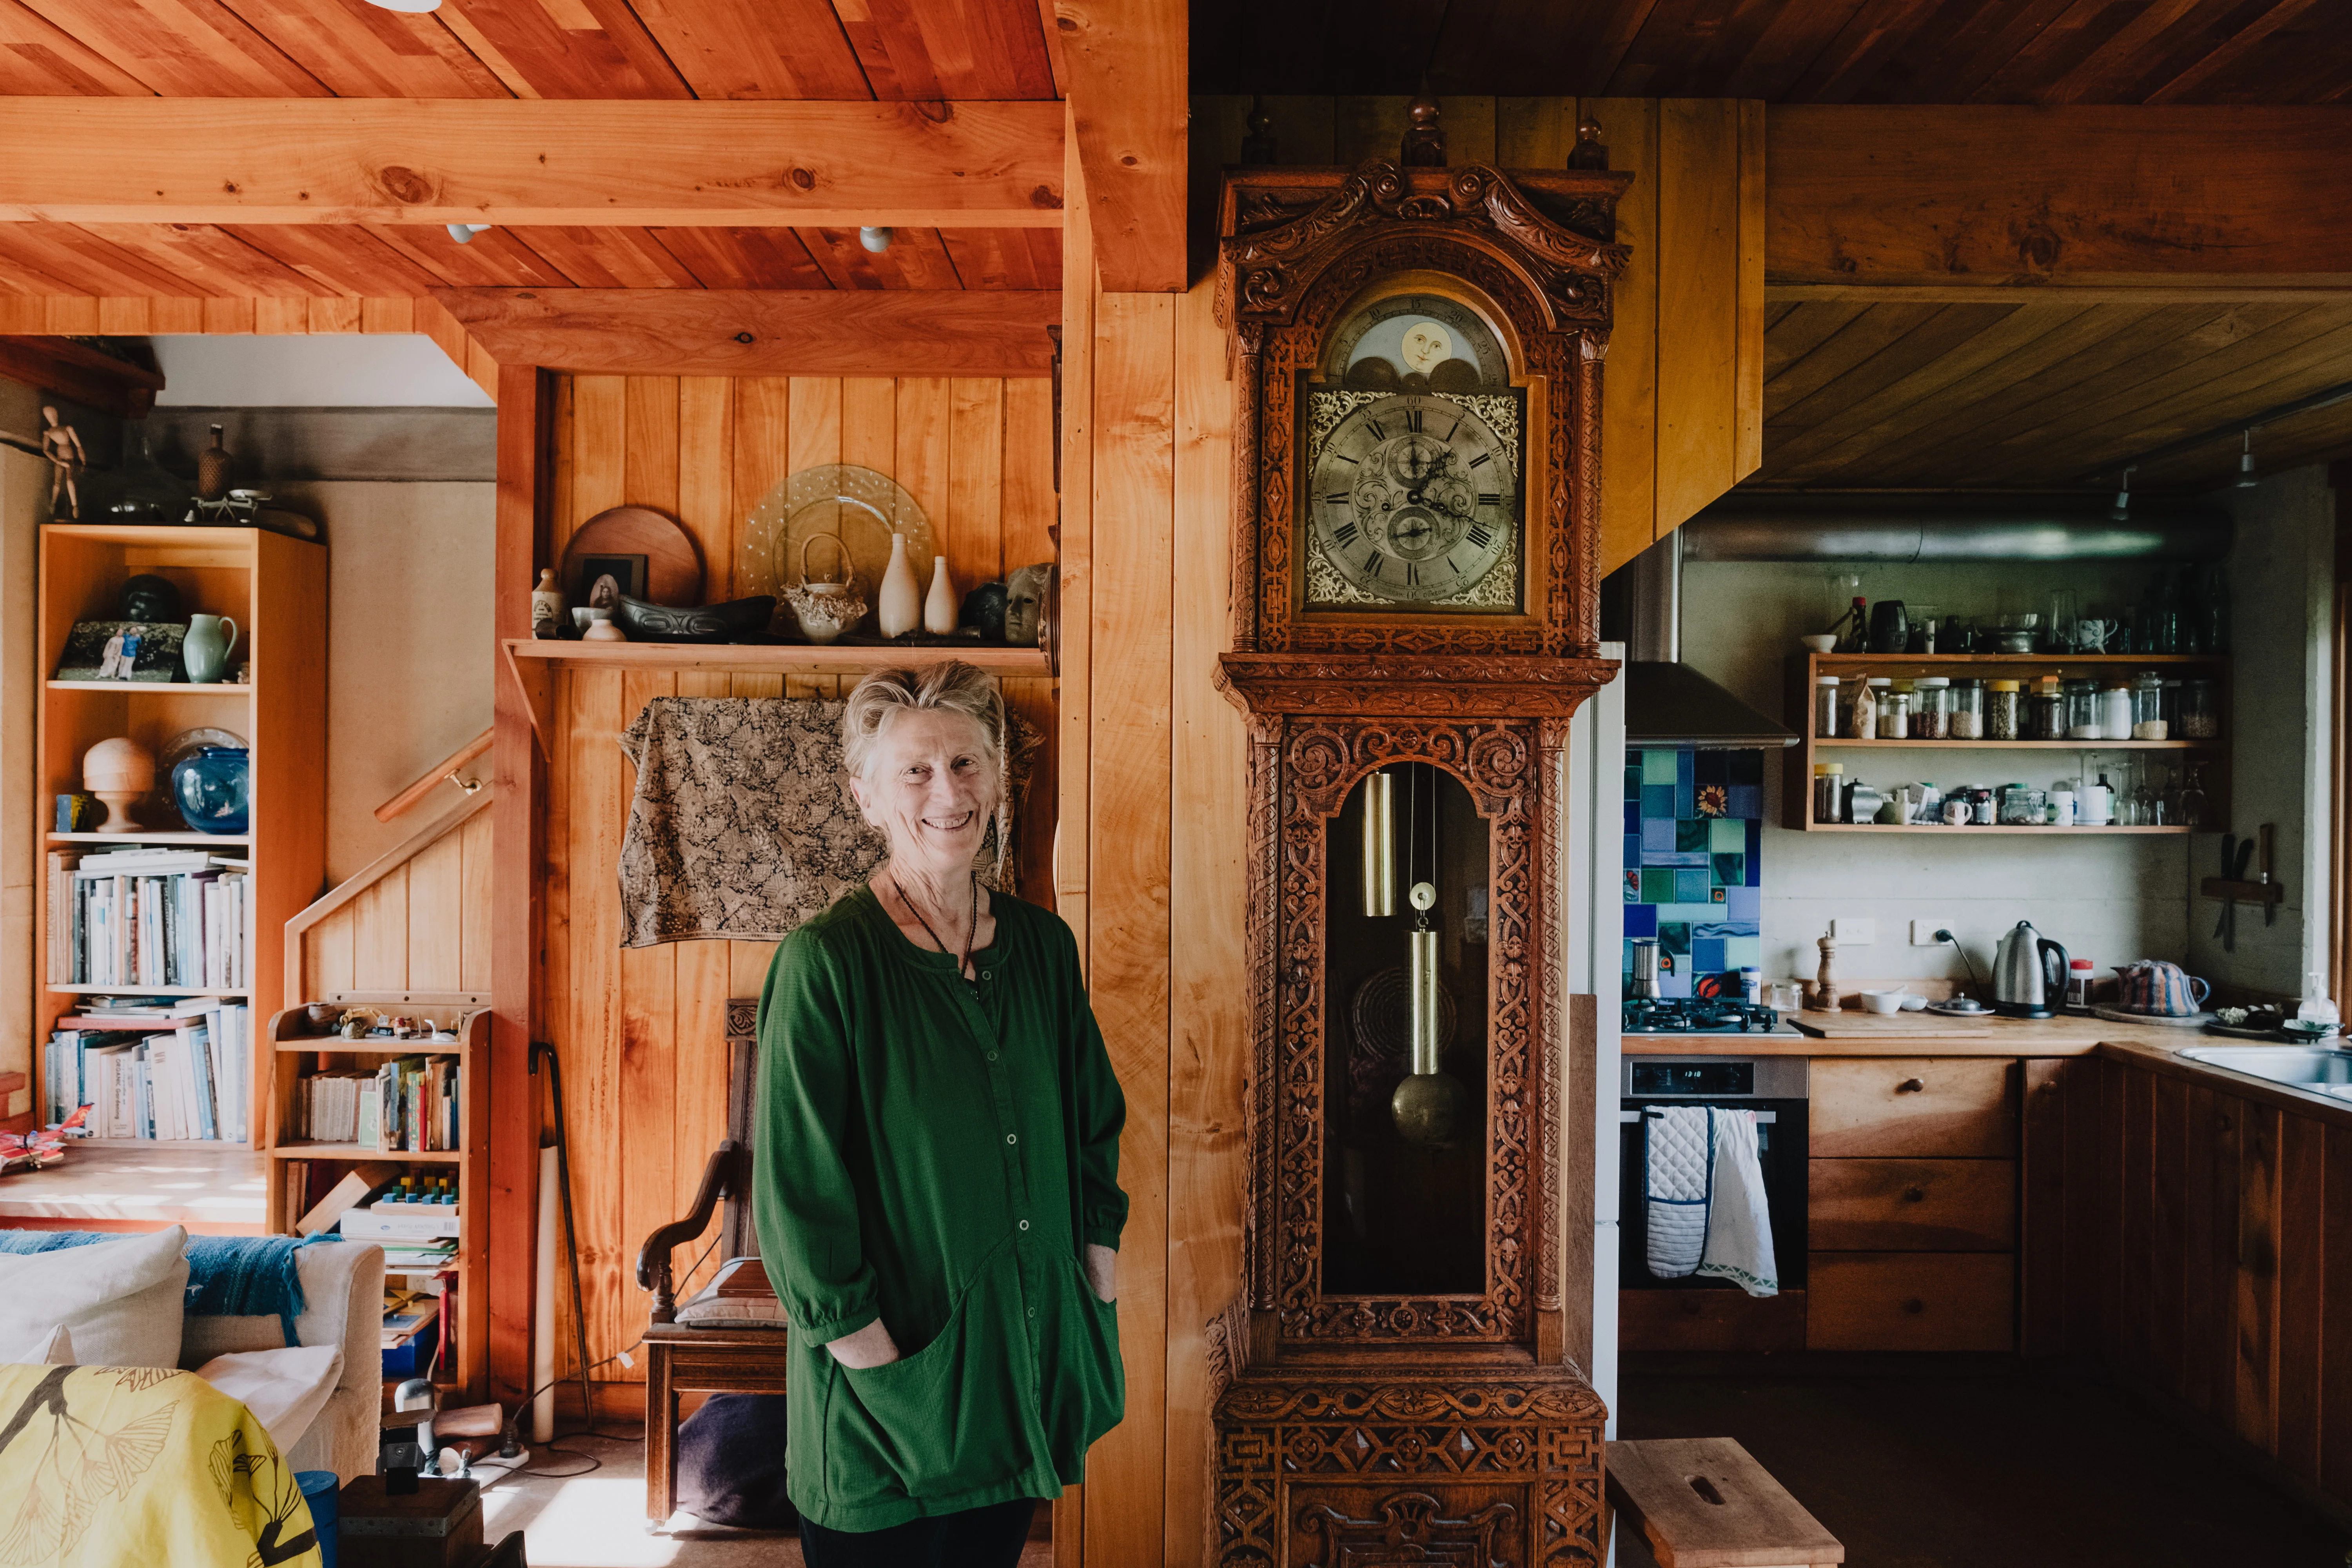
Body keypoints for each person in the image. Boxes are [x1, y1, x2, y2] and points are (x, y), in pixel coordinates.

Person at [755, 661, 1128, 1567]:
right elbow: (798, 1194)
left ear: (998, 779)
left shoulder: (1043, 948)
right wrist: (880, 1365)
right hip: (886, 1402)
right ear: (866, 796)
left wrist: (1094, 1286)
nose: (947, 792)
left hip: (1018, 1378)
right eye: (915, 771)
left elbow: (1091, 1122)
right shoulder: (826, 963)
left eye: (966, 763)